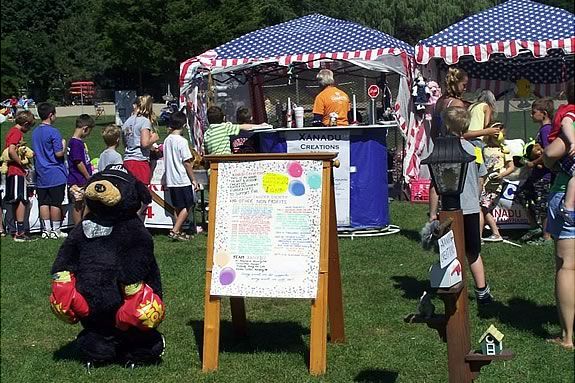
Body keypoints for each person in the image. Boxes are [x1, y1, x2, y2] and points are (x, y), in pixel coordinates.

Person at [428, 106, 494, 305]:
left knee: (450, 251)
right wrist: (475, 194)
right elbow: (482, 175)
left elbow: (434, 185)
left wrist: (432, 213)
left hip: (449, 210)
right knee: (473, 252)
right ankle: (482, 291)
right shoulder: (475, 149)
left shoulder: (439, 150)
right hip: (472, 208)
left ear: (446, 126)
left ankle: (451, 287)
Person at [543, 133, 575, 350]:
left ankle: (567, 337)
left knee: (567, 265)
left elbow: (550, 152)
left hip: (567, 197)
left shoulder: (571, 125)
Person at [516, 98, 555, 243]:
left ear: (544, 113)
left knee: (543, 205)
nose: (531, 115)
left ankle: (547, 236)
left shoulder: (546, 130)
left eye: (534, 113)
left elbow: (547, 152)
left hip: (544, 176)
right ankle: (534, 226)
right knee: (523, 195)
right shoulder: (542, 130)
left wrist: (534, 163)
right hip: (538, 174)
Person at [31, 102, 68, 239]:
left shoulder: (35, 132)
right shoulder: (54, 132)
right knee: (56, 202)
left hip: (41, 172)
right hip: (55, 172)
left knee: (44, 202)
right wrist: (63, 146)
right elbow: (58, 154)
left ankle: (46, 229)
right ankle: (56, 229)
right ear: (51, 115)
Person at [122, 95, 159, 220]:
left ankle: (129, 221)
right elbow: (144, 143)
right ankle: (132, 221)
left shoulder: (126, 122)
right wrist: (153, 139)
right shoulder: (144, 121)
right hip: (139, 161)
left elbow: (125, 143)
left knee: (131, 195)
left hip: (128, 160)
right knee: (143, 196)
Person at [163, 111, 199, 241]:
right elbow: (187, 162)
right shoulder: (182, 141)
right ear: (183, 125)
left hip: (171, 179)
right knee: (188, 205)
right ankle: (175, 230)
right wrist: (193, 179)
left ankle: (178, 230)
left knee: (178, 206)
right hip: (182, 179)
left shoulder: (167, 140)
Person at [4, 110, 36, 241]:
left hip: (14, 171)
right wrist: (21, 164)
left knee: (18, 199)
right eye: (30, 126)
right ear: (26, 123)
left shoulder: (13, 131)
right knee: (20, 199)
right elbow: (11, 150)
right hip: (16, 171)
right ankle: (20, 232)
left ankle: (18, 230)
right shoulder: (16, 132)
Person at [480, 122, 515, 242]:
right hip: (483, 184)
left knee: (482, 208)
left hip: (494, 185)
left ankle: (486, 235)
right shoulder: (484, 149)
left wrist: (501, 175)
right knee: (483, 209)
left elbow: (511, 167)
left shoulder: (504, 150)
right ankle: (495, 233)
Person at [548, 80, 575, 226]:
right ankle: (568, 206)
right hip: (564, 151)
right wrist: (572, 142)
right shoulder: (572, 110)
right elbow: (566, 123)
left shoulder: (567, 108)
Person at [67, 114, 95, 225]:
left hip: (81, 180)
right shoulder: (76, 143)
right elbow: (78, 162)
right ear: (85, 129)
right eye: (89, 132)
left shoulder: (77, 142)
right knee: (78, 204)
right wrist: (87, 175)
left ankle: (83, 225)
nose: (88, 135)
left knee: (83, 203)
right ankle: (77, 227)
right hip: (77, 179)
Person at [430, 67, 470, 140]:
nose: (465, 88)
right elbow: (462, 133)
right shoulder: (457, 103)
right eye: (464, 85)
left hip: (438, 143)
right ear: (456, 83)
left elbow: (433, 129)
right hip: (452, 144)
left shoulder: (441, 100)